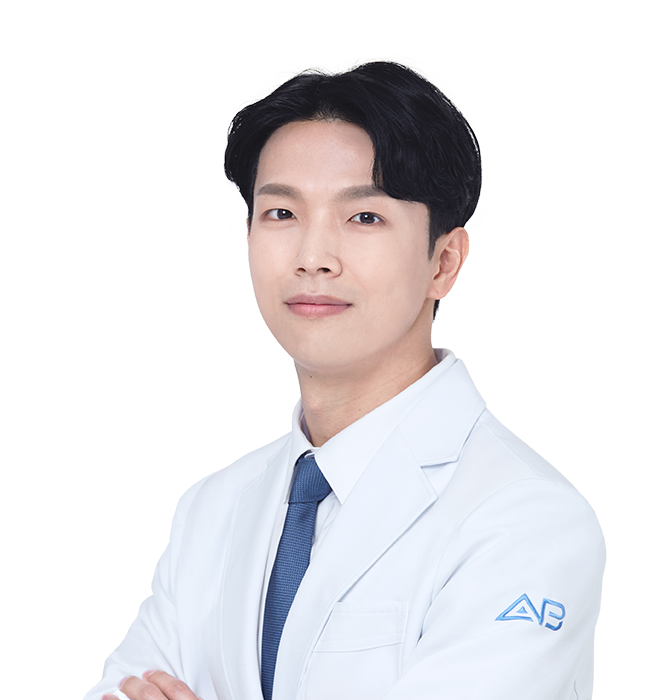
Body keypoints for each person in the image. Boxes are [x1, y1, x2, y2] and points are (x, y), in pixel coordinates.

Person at [86, 60, 604, 700]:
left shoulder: (525, 521)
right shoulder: (211, 513)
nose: (312, 258)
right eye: (281, 212)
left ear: (444, 262)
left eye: (364, 218)